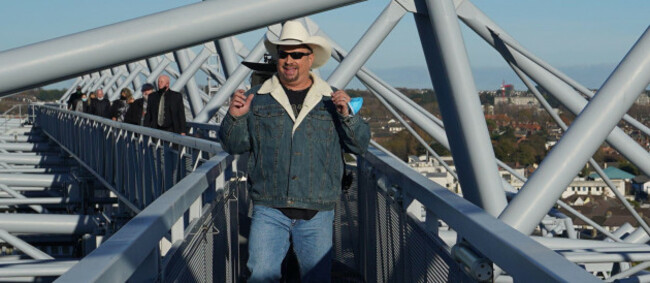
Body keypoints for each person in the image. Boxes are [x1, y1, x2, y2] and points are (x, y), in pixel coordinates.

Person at [218, 21, 370, 282]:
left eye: (297, 55)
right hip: (269, 207)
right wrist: (234, 117)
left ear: (311, 59)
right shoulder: (256, 98)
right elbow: (233, 145)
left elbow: (360, 145)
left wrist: (349, 117)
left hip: (317, 211)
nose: (289, 60)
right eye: (283, 54)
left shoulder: (332, 100)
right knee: (261, 276)